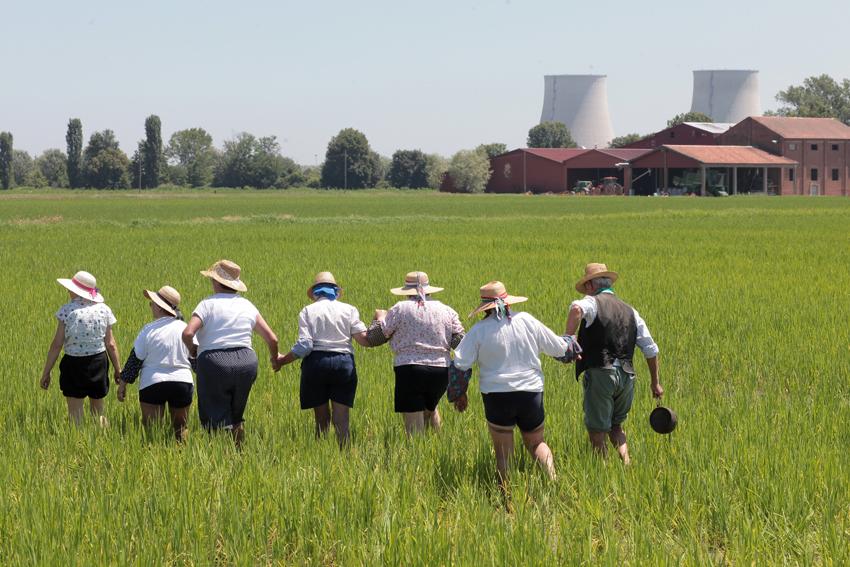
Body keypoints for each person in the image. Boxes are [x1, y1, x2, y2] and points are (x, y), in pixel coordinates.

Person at [450, 281, 578, 486]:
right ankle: (553, 481)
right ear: (507, 302)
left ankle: (506, 496)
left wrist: (459, 394)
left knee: (503, 453)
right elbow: (560, 348)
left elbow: (459, 364)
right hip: (530, 392)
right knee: (537, 442)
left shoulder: (479, 330)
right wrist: (572, 345)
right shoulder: (527, 320)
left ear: (485, 307)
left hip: (496, 395)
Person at [566, 263, 662, 464]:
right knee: (616, 427)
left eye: (586, 287)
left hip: (602, 373)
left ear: (591, 285)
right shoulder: (631, 311)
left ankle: (603, 471)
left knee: (597, 431)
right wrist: (655, 383)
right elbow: (651, 349)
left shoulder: (592, 303)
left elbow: (576, 308)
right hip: (627, 377)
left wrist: (569, 338)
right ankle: (626, 464)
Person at [182, 260, 279, 447]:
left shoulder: (207, 304)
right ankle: (238, 456)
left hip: (214, 362)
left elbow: (187, 333)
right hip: (247, 362)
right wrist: (275, 360)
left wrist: (194, 351)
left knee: (214, 418)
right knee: (236, 416)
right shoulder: (247, 305)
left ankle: (219, 459)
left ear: (217, 283)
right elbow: (272, 339)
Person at [276, 272, 370, 447]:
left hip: (316, 364)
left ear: (315, 293)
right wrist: (379, 327)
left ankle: (321, 453)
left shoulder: (307, 311)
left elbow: (305, 346)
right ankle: (346, 456)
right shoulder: (349, 310)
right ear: (336, 291)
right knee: (342, 420)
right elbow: (364, 340)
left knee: (321, 419)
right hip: (344, 363)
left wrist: (282, 360)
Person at [371, 271, 464, 436]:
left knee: (414, 422)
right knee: (431, 409)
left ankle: (417, 455)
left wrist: (379, 319)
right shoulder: (446, 310)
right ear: (429, 290)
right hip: (441, 372)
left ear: (407, 291)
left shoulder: (400, 308)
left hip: (410, 370)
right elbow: (459, 343)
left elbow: (375, 338)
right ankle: (436, 448)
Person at [40, 270, 121, 426]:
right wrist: (118, 369)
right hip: (98, 362)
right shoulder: (104, 310)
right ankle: (103, 442)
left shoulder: (66, 311)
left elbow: (57, 344)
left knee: (75, 414)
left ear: (75, 291)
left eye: (70, 288)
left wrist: (46, 372)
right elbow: (110, 343)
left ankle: (76, 444)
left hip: (73, 364)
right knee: (98, 412)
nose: (68, 290)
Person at [117, 286, 194, 442]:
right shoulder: (185, 329)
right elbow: (196, 358)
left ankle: (153, 457)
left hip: (152, 383)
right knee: (181, 428)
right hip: (182, 383)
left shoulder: (148, 330)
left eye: (152, 303)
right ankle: (182, 457)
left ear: (159, 307)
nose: (150, 306)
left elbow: (135, 360)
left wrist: (123, 384)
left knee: (152, 432)